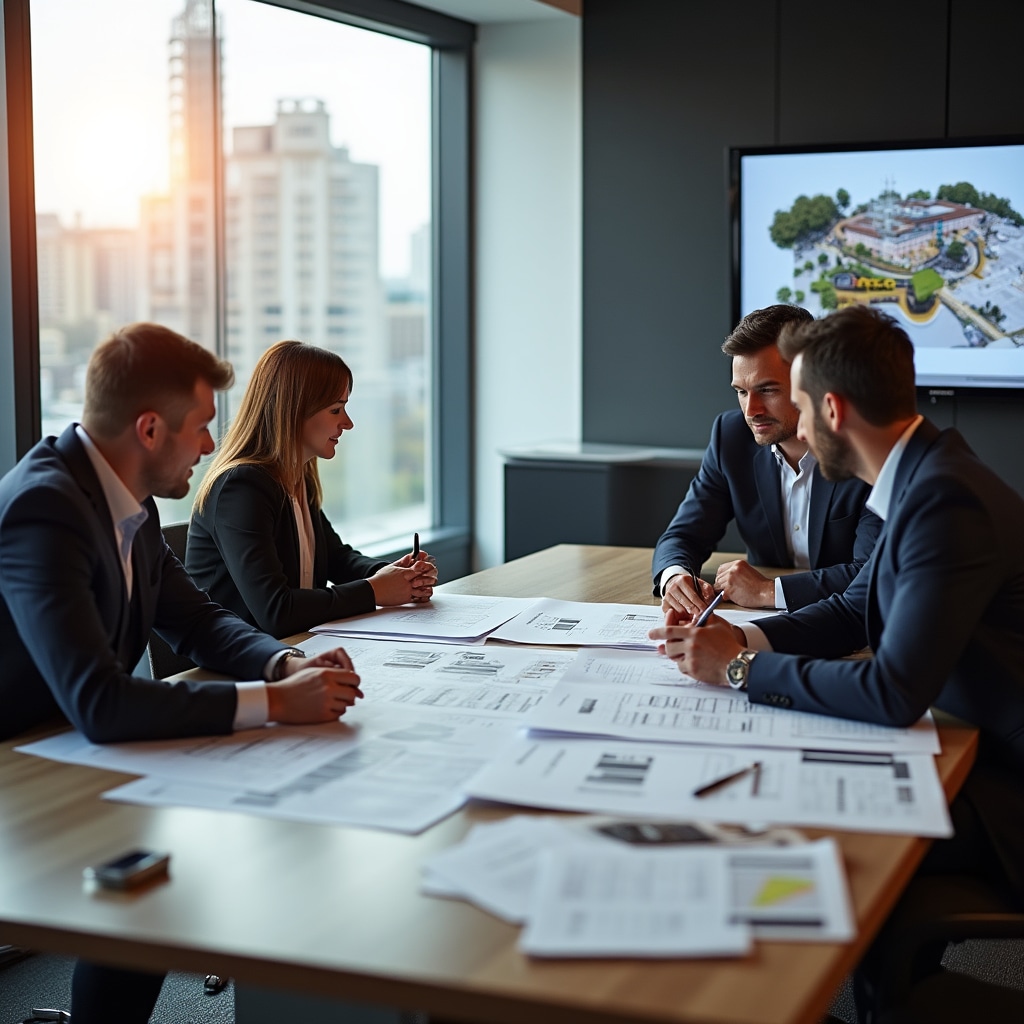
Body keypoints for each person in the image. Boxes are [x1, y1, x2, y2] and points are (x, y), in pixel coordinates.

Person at [650, 304, 1024, 1017]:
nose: (774, 416)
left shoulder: (944, 499)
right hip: (976, 741)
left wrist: (740, 672)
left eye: (789, 398)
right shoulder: (917, 474)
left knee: (791, 841)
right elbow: (857, 609)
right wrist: (744, 641)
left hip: (1008, 777)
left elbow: (891, 692)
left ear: (829, 407)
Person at [0, 323, 365, 1023]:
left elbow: (197, 620)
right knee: (158, 871)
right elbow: (100, 702)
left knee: (154, 883)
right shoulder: (45, 507)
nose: (208, 445)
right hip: (21, 764)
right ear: (148, 429)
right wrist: (274, 703)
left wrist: (284, 658)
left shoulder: (126, 498)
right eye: (199, 427)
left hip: (62, 744)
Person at [186, 340, 438, 638]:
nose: (348, 423)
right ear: (294, 410)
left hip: (299, 648)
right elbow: (276, 612)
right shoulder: (240, 488)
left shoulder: (297, 476)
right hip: (240, 666)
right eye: (336, 410)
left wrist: (397, 576)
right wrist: (375, 590)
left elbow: (336, 559)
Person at [652, 304, 881, 613]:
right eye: (742, 392)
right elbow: (683, 535)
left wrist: (767, 592)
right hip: (753, 622)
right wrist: (674, 577)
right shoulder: (730, 436)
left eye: (767, 389)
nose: (751, 410)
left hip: (845, 623)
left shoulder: (863, 445)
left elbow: (871, 572)